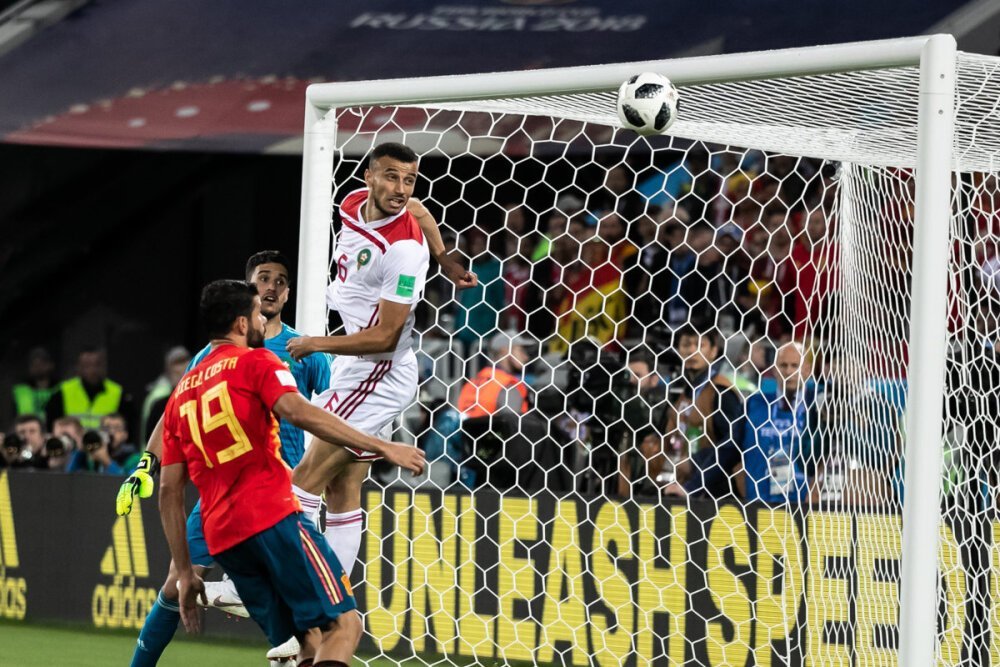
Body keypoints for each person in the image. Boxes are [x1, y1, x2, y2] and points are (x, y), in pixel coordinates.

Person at [159, 279, 425, 667]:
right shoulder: (257, 361)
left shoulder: (181, 392)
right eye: (256, 316)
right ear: (239, 324)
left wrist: (184, 572)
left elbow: (169, 491)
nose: (263, 324)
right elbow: (300, 412)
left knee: (308, 643)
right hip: (271, 516)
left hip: (224, 539)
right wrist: (383, 445)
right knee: (344, 627)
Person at [124, 250, 335, 665]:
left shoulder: (306, 351)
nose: (271, 286)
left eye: (279, 280)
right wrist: (146, 463)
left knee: (296, 606)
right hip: (223, 489)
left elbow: (328, 411)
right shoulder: (214, 354)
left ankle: (267, 625)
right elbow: (174, 415)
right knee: (176, 583)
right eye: (263, 278)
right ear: (249, 292)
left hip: (283, 487)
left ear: (288, 293)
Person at [285, 142, 476, 596]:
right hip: (359, 366)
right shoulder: (352, 201)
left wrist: (315, 343)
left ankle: (284, 585)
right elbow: (424, 211)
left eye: (409, 180)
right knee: (343, 486)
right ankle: (334, 596)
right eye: (392, 177)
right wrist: (447, 256)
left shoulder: (405, 253)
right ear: (369, 176)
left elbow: (386, 336)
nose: (401, 189)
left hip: (377, 369)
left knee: (303, 480)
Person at [665, 326, 745, 499]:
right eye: (686, 344)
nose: (692, 350)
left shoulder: (721, 392)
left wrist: (694, 462)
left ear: (713, 352)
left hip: (720, 491)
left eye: (700, 345)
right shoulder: (682, 394)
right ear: (678, 350)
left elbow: (732, 445)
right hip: (687, 486)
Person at [740, 342, 816, 504]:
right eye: (783, 365)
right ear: (774, 370)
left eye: (795, 366)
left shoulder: (819, 409)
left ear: (808, 370)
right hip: (759, 506)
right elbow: (729, 450)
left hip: (804, 508)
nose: (789, 371)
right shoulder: (754, 404)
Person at [46, 347, 132, 432]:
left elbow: (128, 428)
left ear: (103, 366)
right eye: (87, 365)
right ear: (78, 367)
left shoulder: (117, 392)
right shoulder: (63, 391)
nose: (92, 370)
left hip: (106, 445)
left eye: (97, 365)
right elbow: (52, 424)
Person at [457, 330, 530, 419]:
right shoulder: (507, 385)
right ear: (505, 350)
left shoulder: (473, 382)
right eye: (521, 350)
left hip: (468, 431)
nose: (526, 357)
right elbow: (512, 426)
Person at [140, 347, 191, 444]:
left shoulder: (196, 396)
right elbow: (149, 439)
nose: (184, 365)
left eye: (186, 360)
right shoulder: (157, 399)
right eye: (178, 362)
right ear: (169, 369)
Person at [11, 347, 59, 419]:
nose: (38, 367)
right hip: (28, 428)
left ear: (51, 365)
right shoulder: (21, 390)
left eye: (42, 364)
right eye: (34, 364)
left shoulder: (59, 388)